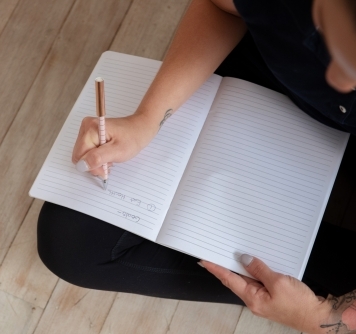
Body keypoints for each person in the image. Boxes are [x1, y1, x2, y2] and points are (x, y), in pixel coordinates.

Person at [37, 0, 356, 332]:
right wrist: (147, 119)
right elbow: (221, 7)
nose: (333, 76)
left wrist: (319, 317)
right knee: (73, 242)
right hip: (271, 79)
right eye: (323, 32)